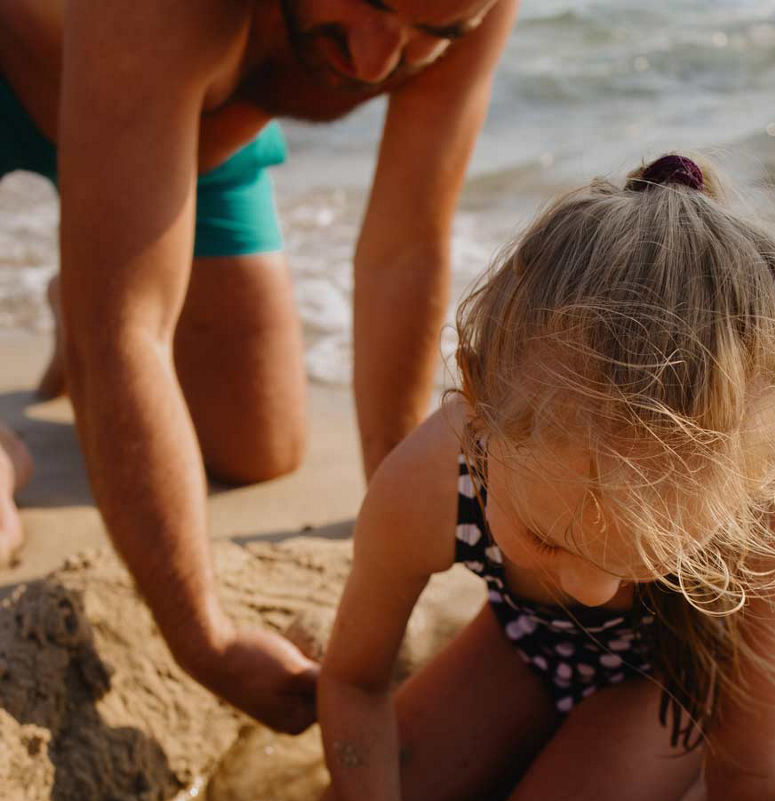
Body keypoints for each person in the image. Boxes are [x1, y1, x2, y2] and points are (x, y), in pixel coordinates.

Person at [298, 154, 775, 801]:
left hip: (665, 685)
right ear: (478, 407)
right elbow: (352, 680)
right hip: (522, 647)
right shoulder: (431, 478)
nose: (585, 587)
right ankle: (541, 766)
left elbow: (754, 773)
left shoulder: (763, 497)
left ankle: (665, 791)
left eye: (641, 552)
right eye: (544, 538)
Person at [0, 0, 517, 732]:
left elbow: (404, 247)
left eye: (429, 34)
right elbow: (127, 334)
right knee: (110, 323)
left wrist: (397, 514)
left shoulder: (462, 9)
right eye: (371, 1)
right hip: (26, 68)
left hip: (193, 126)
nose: (375, 61)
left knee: (258, 445)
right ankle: (89, 289)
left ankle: (87, 274)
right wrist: (204, 639)